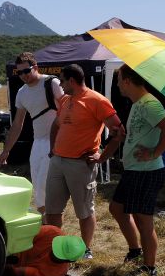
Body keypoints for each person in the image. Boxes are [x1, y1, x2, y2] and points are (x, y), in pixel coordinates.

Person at [43, 63, 125, 259]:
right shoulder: (65, 100)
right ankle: (56, 248)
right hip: (58, 162)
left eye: (62, 81)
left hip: (80, 165)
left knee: (84, 210)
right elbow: (56, 126)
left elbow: (119, 132)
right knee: (52, 210)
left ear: (72, 80)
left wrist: (102, 156)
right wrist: (52, 150)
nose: (60, 85)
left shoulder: (97, 100)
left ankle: (86, 249)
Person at [108, 65, 165, 276]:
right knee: (117, 208)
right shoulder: (138, 103)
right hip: (134, 170)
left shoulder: (149, 103)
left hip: (146, 171)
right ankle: (135, 251)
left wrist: (155, 153)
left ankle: (149, 267)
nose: (118, 84)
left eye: (119, 80)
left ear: (128, 81)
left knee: (143, 219)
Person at [0, 52, 64, 213]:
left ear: (35, 67)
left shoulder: (52, 83)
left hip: (56, 142)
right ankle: (45, 223)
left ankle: (51, 225)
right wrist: (6, 150)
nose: (23, 76)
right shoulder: (22, 93)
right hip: (38, 143)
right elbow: (17, 124)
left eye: (26, 71)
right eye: (19, 73)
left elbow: (69, 110)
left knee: (44, 184)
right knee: (38, 189)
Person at [4, 225, 87, 276]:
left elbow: (18, 272)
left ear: (68, 260)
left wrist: (1, 265)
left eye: (58, 254)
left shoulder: (56, 273)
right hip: (9, 243)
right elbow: (22, 235)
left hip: (10, 262)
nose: (54, 252)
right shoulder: (52, 232)